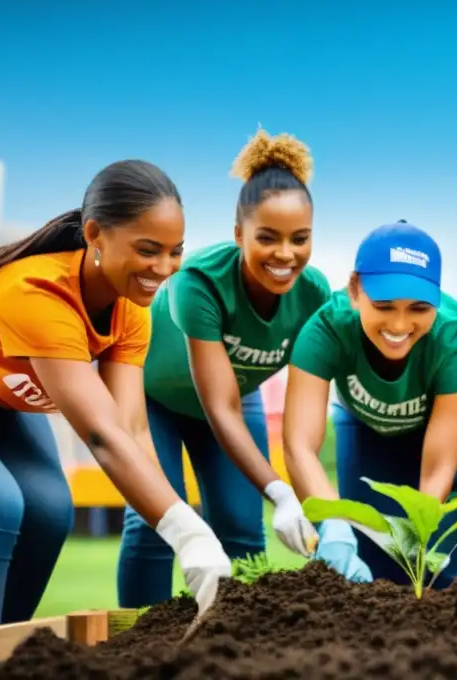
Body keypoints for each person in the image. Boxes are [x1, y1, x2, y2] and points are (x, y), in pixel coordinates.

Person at [0, 160, 232, 631]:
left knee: (48, 510)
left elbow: (129, 429)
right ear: (94, 234)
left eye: (174, 252)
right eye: (148, 250)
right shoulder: (35, 291)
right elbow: (102, 436)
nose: (163, 269)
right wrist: (189, 533)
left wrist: (177, 518)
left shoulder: (132, 310)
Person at [116, 129, 332, 607]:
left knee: (242, 528)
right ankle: (133, 650)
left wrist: (316, 504)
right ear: (239, 235)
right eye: (267, 238)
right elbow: (218, 405)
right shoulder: (198, 282)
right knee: (154, 523)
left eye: (300, 239)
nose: (285, 254)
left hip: (236, 398)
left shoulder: (315, 294)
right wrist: (279, 490)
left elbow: (304, 407)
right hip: (152, 394)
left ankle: (237, 650)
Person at [283, 220, 457, 587]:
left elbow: (437, 469)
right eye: (384, 305)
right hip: (365, 420)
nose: (400, 324)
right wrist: (331, 521)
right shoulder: (326, 330)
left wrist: (420, 531)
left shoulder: (456, 333)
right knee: (365, 550)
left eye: (419, 308)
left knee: (433, 563)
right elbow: (299, 445)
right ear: (354, 290)